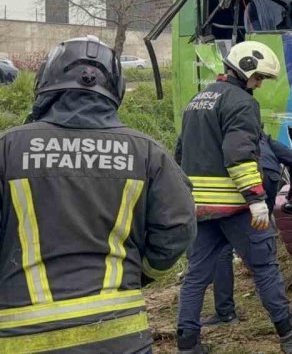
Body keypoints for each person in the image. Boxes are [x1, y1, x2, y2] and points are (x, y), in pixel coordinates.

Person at [0, 35, 196, 353]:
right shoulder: (146, 152)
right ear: (115, 88)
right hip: (120, 336)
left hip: (24, 336)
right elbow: (179, 226)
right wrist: (142, 273)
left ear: (46, 82)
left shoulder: (8, 148)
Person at [174, 41, 292, 354]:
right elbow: (239, 154)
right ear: (243, 69)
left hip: (201, 208)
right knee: (265, 266)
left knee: (196, 276)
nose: (259, 84)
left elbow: (180, 153)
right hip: (236, 206)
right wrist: (256, 199)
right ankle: (291, 334)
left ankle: (188, 344)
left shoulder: (197, 100)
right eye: (258, 77)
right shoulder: (242, 103)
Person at [201, 133, 292, 326]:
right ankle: (268, 291)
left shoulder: (215, 137)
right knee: (263, 241)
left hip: (240, 181)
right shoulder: (261, 137)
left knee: (224, 249)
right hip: (269, 176)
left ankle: (226, 312)